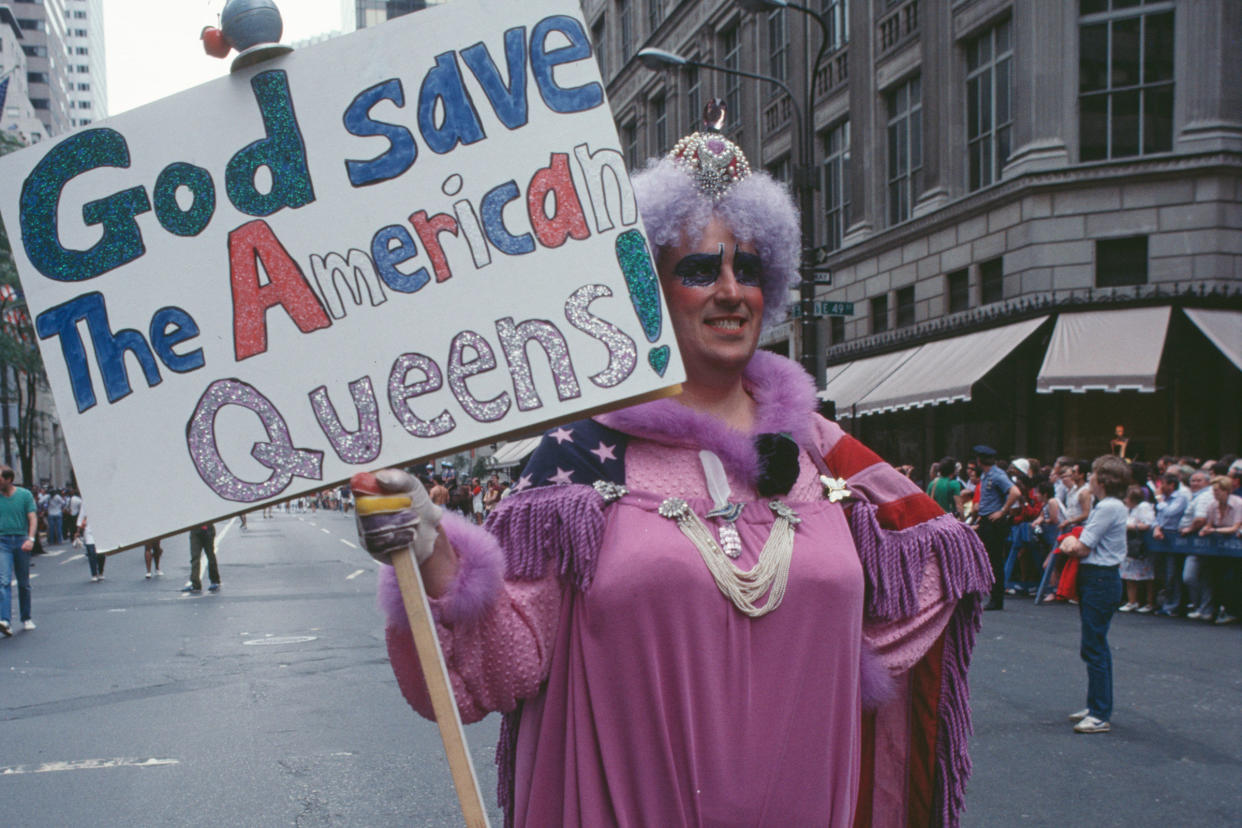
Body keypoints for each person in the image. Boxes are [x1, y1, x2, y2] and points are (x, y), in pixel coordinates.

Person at [353, 106, 992, 827]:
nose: (730, 290)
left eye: (747, 268)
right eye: (699, 268)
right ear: (650, 287)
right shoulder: (576, 462)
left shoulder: (819, 452)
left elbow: (931, 572)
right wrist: (428, 541)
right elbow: (497, 668)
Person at [1059, 455, 1130, 734]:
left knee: (1094, 645)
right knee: (1094, 644)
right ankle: (1096, 705)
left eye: (1093, 473)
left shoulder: (1107, 507)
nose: (1089, 477)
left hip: (1099, 577)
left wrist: (1067, 541)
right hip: (1100, 577)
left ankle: (1100, 712)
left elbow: (1082, 547)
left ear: (1102, 479)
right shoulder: (1110, 505)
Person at [975, 446, 1022, 610]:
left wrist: (1002, 511)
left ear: (980, 460)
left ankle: (996, 598)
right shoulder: (986, 475)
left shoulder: (997, 475)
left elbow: (1015, 492)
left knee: (994, 559)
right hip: (986, 519)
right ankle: (990, 592)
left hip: (994, 522)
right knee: (986, 557)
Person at [0, 465, 38, 636]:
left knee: (23, 583)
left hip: (21, 541)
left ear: (8, 479)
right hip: (2, 542)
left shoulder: (24, 495)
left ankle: (26, 617)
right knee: (4, 580)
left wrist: (31, 539)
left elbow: (32, 518)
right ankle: (5, 620)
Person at [1119, 485, 1156, 613]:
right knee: (1129, 575)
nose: (1125, 500)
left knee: (1147, 576)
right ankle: (1132, 601)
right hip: (1129, 544)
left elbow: (1147, 524)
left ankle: (1149, 603)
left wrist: (1129, 526)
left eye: (1127, 498)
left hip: (1141, 545)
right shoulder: (1128, 509)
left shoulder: (1143, 507)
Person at [181, 523, 220, 593]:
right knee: (195, 557)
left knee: (210, 556)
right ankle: (195, 584)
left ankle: (215, 581)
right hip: (195, 530)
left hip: (208, 529)